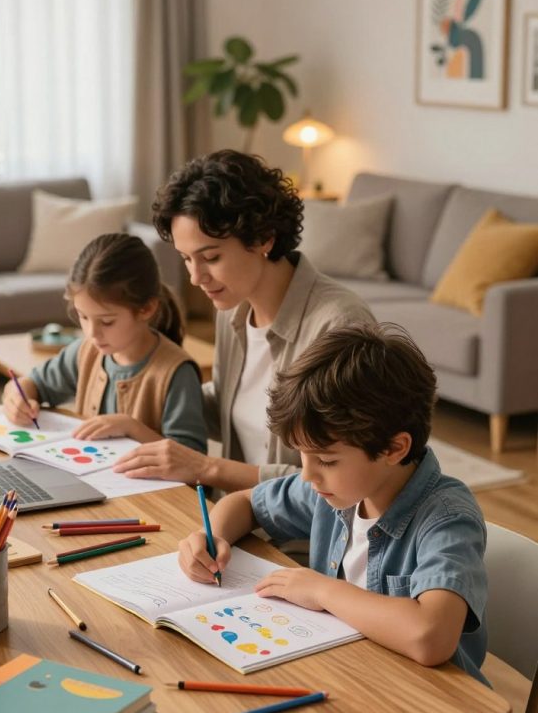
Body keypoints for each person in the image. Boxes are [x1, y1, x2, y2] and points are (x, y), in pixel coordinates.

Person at [178, 323, 492, 713]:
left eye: (324, 459)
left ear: (393, 447)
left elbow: (431, 635)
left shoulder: (446, 516)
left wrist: (323, 590)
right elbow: (244, 503)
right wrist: (211, 536)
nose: (307, 475)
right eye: (303, 457)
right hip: (339, 705)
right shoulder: (343, 487)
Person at [113, 150, 373, 490]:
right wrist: (140, 402)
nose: (196, 277)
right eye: (187, 259)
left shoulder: (339, 328)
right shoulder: (234, 310)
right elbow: (228, 406)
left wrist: (207, 468)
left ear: (263, 237)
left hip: (297, 541)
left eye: (211, 257)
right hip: (240, 520)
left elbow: (344, 483)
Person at [2, 232, 207, 453]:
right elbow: (32, 384)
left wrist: (132, 429)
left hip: (152, 489)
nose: (92, 333)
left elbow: (194, 463)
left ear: (146, 309)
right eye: (83, 317)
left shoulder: (177, 373)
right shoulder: (86, 352)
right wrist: (17, 396)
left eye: (107, 322)